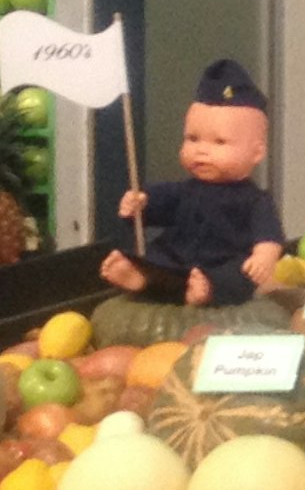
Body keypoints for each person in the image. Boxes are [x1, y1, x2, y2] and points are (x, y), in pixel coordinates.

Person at [108, 59, 288, 306]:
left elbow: (269, 235)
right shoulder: (184, 190)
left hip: (222, 262)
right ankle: (144, 279)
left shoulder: (256, 200)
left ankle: (206, 293)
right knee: (155, 257)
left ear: (256, 153)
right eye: (193, 139)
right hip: (178, 257)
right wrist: (139, 203)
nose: (202, 151)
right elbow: (155, 205)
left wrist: (264, 256)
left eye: (219, 142)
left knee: (237, 275)